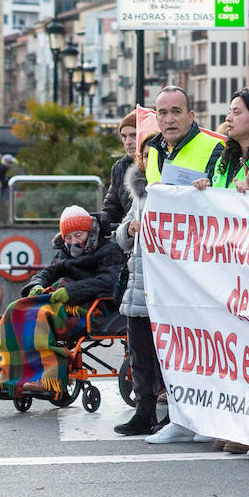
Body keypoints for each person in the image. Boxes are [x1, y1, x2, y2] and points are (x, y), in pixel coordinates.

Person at [0, 206, 123, 398]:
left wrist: (71, 291)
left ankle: (48, 377)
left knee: (40, 316)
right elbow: (46, 273)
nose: (73, 242)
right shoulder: (62, 254)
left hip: (90, 308)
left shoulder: (109, 250)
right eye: (68, 238)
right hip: (61, 302)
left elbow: (110, 280)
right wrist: (36, 285)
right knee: (14, 310)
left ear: (90, 232)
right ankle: (10, 377)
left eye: (78, 235)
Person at [112, 139, 162, 436]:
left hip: (164, 287)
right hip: (139, 282)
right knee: (139, 353)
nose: (144, 158)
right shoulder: (141, 195)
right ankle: (144, 411)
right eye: (142, 155)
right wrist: (127, 230)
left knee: (165, 354)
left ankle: (169, 411)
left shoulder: (173, 193)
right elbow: (121, 234)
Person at [143, 86, 223, 184]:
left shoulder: (214, 148)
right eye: (163, 113)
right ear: (157, 119)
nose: (169, 120)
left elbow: (220, 193)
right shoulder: (153, 150)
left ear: (191, 117)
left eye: (176, 112)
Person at [103, 112, 139, 226]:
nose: (128, 142)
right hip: (130, 236)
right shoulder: (119, 167)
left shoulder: (160, 162)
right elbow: (112, 208)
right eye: (124, 136)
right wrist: (96, 223)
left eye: (134, 135)